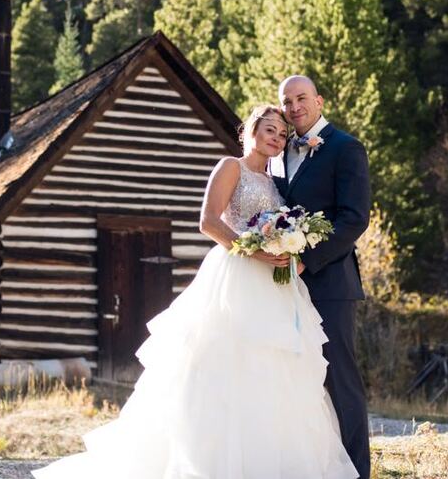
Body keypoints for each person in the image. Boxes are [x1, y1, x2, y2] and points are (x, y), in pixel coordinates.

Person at [32, 105, 358, 479]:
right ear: (250, 131)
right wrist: (253, 251)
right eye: (270, 130)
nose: (277, 138)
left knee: (273, 367)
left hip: (273, 284)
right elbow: (208, 222)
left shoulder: (274, 183)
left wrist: (283, 246)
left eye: (282, 135)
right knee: (223, 361)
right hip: (236, 274)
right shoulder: (229, 167)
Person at [275, 75, 372, 479]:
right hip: (280, 288)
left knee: (340, 380)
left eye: (301, 98)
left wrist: (306, 261)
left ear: (319, 100)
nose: (295, 107)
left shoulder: (346, 148)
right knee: (292, 381)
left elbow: (354, 219)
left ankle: (357, 471)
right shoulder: (277, 153)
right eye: (287, 101)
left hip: (330, 284)